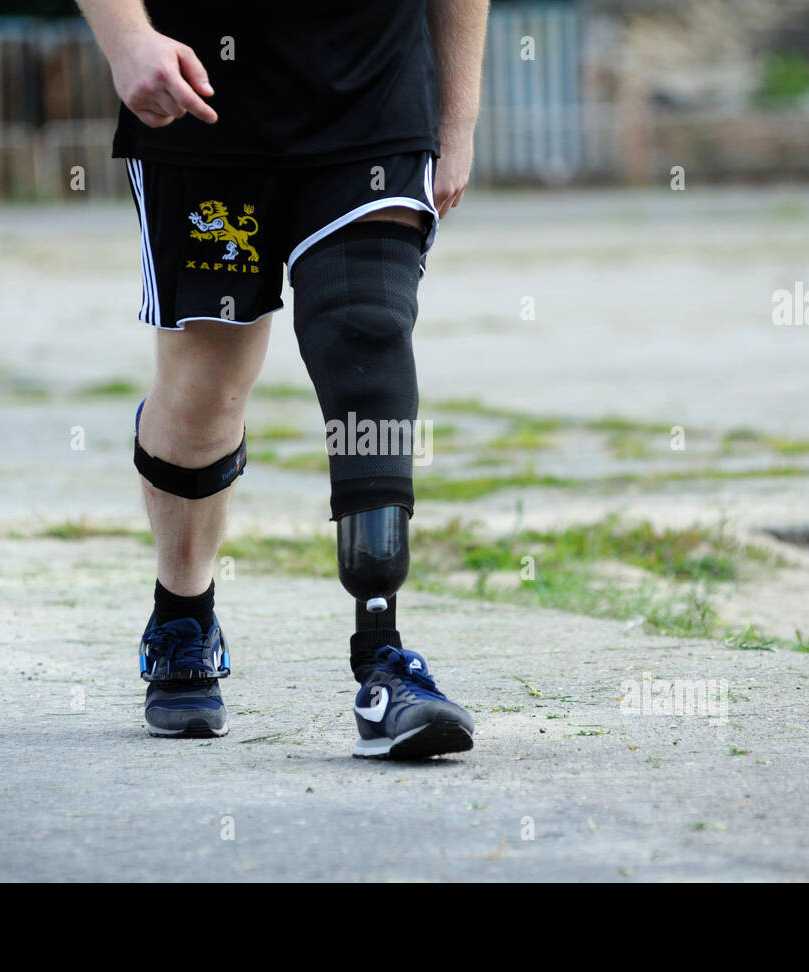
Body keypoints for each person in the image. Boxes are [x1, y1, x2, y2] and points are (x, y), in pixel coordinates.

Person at [77, 0, 489, 758]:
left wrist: (458, 117)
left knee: (365, 327)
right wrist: (126, 38)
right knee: (206, 392)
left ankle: (383, 659)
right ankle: (183, 610)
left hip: (376, 88)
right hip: (200, 100)